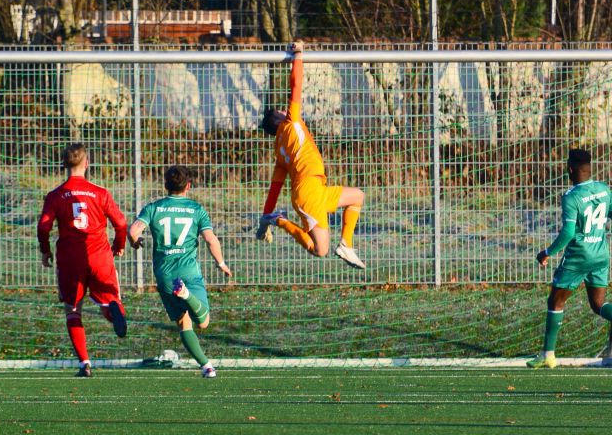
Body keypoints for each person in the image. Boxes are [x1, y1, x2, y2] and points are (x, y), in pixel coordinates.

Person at [528, 149, 612, 368]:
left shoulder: (571, 196)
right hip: (600, 254)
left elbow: (567, 233)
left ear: (570, 169)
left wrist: (546, 253)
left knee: (555, 301)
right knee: (598, 304)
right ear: (589, 168)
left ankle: (548, 354)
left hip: (579, 256)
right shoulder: (603, 189)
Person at [256, 40, 366, 269]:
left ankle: (346, 244)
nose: (285, 109)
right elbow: (295, 87)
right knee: (320, 249)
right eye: (282, 110)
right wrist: (298, 55)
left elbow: (275, 188)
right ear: (281, 116)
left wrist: (262, 223)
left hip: (315, 188)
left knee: (357, 196)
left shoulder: (279, 151)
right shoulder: (291, 122)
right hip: (309, 192)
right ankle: (281, 221)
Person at [128, 165, 232, 378]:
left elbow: (133, 230)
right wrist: (220, 262)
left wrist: (134, 241)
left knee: (183, 322)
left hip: (165, 275)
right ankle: (187, 295)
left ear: (166, 185)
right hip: (188, 271)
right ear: (188, 186)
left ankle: (206, 366)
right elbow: (211, 239)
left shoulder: (154, 207)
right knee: (203, 322)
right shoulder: (196, 209)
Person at [37, 143, 128, 377]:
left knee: (73, 309)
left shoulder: (55, 195)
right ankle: (115, 309)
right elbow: (120, 223)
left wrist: (45, 250)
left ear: (64, 164)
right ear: (87, 163)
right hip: (99, 256)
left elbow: (43, 226)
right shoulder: (100, 193)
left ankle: (84, 363)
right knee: (108, 301)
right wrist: (118, 246)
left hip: (70, 260)